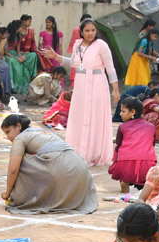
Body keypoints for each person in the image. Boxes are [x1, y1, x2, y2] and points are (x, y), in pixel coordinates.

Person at [50, 18, 119, 166]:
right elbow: (73, 63)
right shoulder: (78, 45)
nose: (90, 33)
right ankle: (79, 150)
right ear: (81, 32)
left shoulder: (101, 45)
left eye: (93, 30)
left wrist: (115, 90)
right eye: (87, 30)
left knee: (95, 116)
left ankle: (94, 153)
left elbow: (110, 68)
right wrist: (56, 57)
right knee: (80, 115)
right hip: (81, 84)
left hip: (98, 83)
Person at [0, 113, 98, 215]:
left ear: (19, 126)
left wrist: (8, 193)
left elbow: (13, 170)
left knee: (22, 161)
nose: (7, 137)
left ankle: (29, 198)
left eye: (8, 132)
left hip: (61, 167)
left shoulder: (20, 138)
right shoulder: (42, 131)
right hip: (81, 167)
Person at [109, 99, 158, 194]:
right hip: (147, 164)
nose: (120, 114)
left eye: (123, 111)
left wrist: (115, 163)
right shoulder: (151, 126)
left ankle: (125, 185)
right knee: (145, 182)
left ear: (133, 112)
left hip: (125, 164)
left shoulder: (123, 127)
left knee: (124, 177)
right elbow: (152, 145)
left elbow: (118, 147)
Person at [4, 17, 38, 96]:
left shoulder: (18, 36)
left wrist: (21, 57)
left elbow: (18, 50)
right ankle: (13, 87)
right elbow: (5, 52)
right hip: (9, 55)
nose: (22, 28)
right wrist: (16, 58)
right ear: (17, 28)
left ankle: (32, 76)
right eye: (21, 27)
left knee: (31, 56)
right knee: (15, 63)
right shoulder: (7, 37)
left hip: (15, 54)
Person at [125, 20, 158, 87]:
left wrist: (153, 55)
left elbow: (148, 50)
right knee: (140, 77)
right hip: (138, 58)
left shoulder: (150, 41)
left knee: (145, 76)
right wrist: (150, 57)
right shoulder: (144, 38)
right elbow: (140, 52)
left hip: (144, 58)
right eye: (155, 37)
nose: (156, 39)